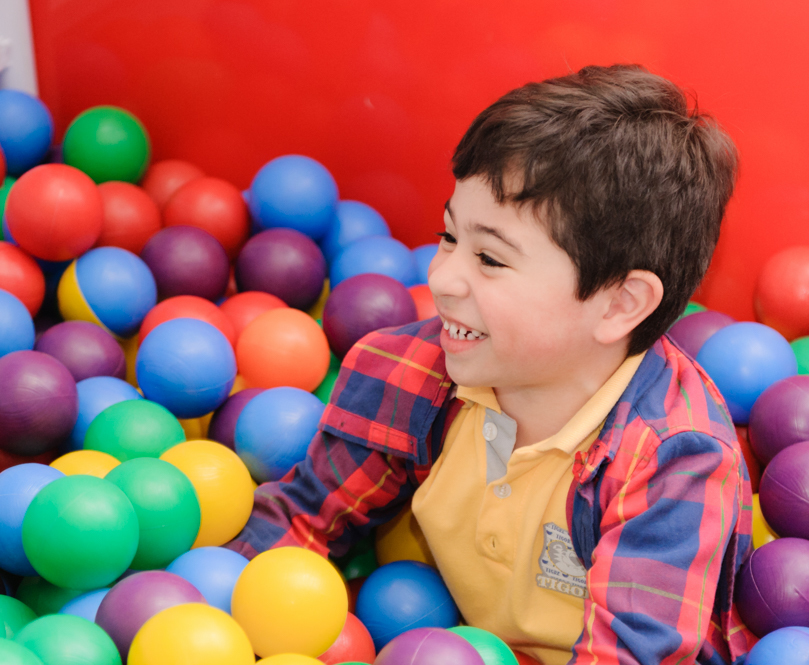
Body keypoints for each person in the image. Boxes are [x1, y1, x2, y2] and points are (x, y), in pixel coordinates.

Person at [227, 64, 754, 665]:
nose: (441, 276)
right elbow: (299, 521)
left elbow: (632, 655)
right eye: (448, 236)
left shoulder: (672, 461)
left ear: (619, 304)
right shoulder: (410, 373)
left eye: (491, 259)